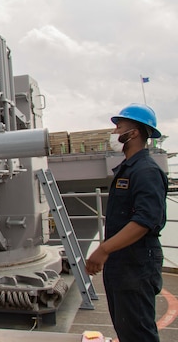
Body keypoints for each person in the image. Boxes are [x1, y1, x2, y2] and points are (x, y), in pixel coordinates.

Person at [85, 103, 167, 342]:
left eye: (118, 127)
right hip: (124, 264)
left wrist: (103, 249)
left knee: (138, 333)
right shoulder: (128, 169)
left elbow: (144, 221)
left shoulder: (146, 171)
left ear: (133, 133)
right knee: (126, 329)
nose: (113, 133)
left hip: (136, 265)